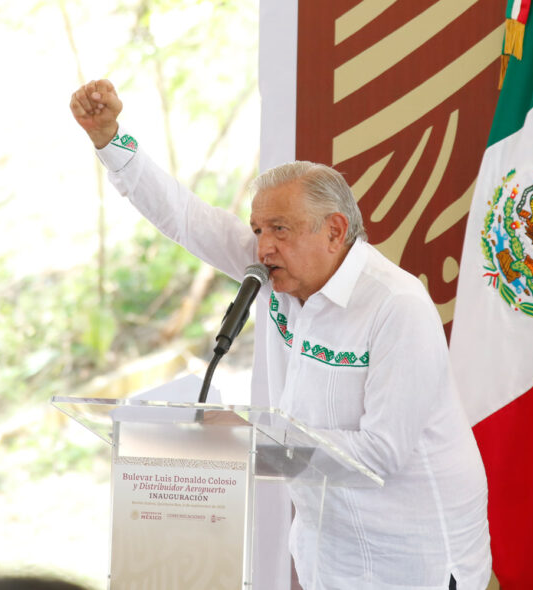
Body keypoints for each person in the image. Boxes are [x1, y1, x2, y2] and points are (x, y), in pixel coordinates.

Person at [70, 79, 491, 590]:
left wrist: (250, 440)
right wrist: (110, 139)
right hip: (326, 554)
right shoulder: (274, 276)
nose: (263, 248)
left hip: (414, 559)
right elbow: (185, 218)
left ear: (335, 231)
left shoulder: (396, 307)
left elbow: (381, 453)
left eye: (280, 229)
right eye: (257, 230)